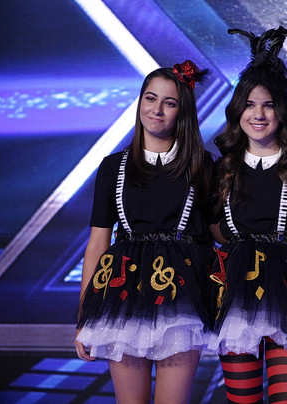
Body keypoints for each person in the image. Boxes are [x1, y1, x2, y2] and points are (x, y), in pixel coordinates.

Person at [74, 60, 214, 404]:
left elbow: (217, 232)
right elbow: (97, 244)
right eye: (150, 98)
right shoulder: (113, 167)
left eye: (169, 102)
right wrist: (84, 316)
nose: (157, 109)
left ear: (182, 111)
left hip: (181, 298)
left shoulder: (202, 165)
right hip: (122, 295)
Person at [208, 27, 287, 404]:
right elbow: (213, 225)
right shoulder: (223, 168)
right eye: (250, 105)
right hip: (237, 296)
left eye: (268, 105)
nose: (258, 114)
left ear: (282, 110)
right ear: (238, 110)